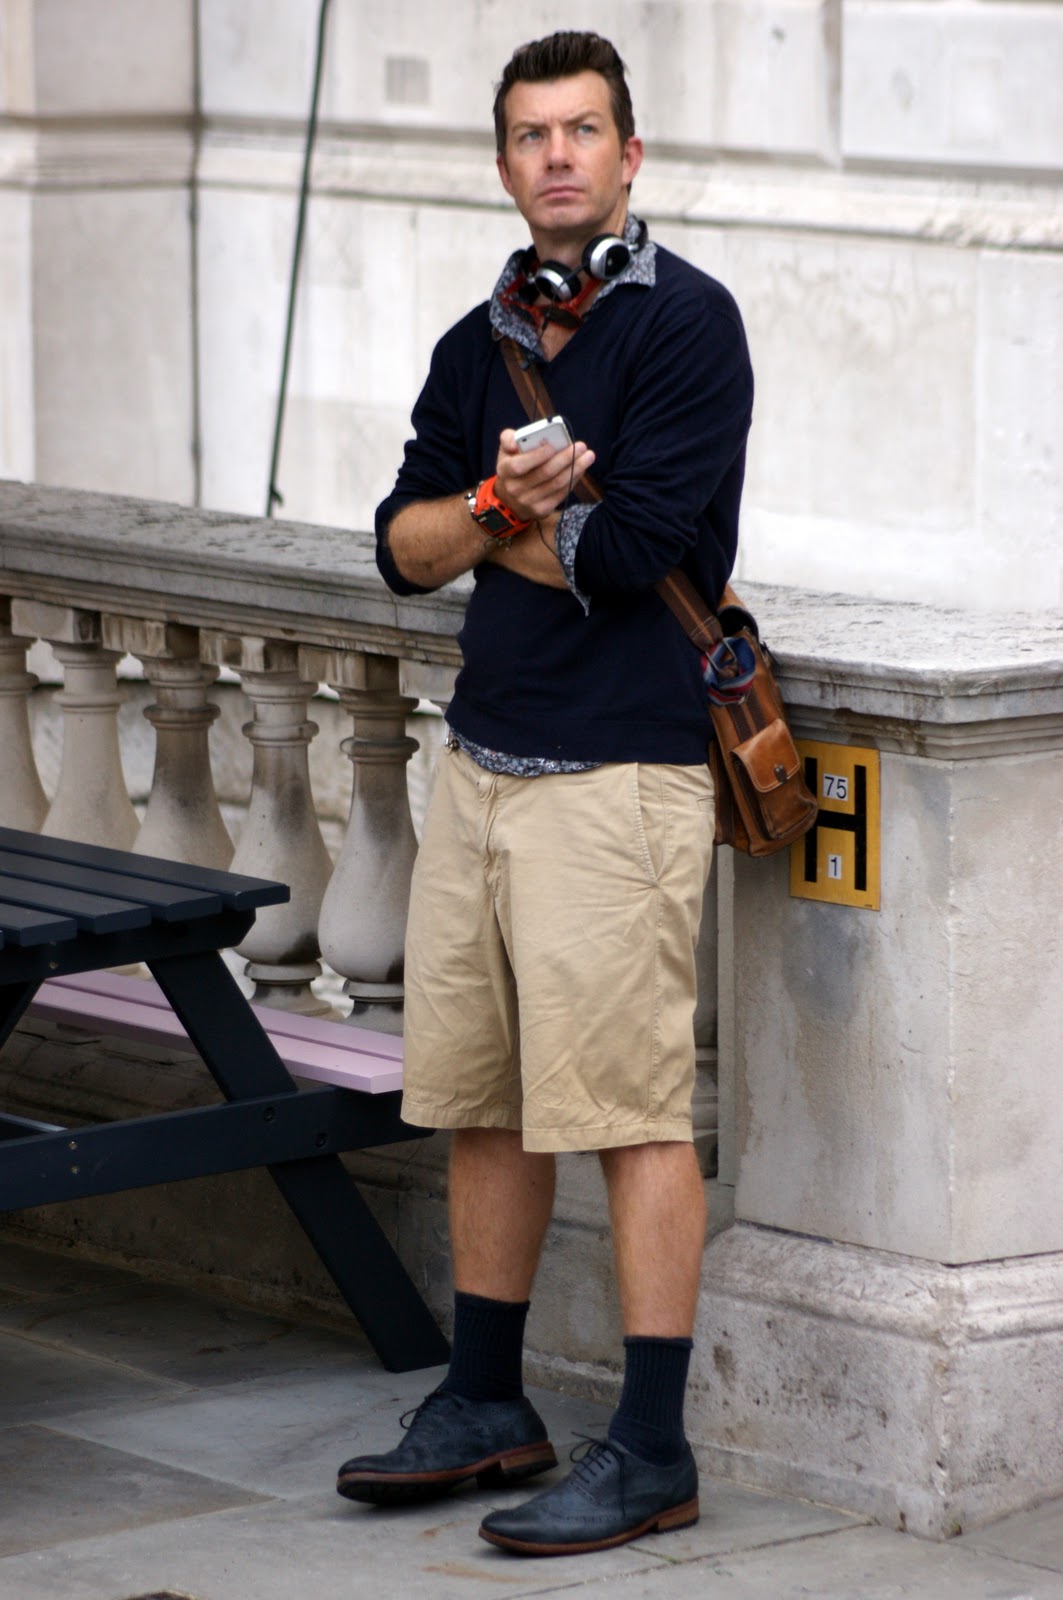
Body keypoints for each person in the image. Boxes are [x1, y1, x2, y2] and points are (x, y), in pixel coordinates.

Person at [336, 29, 753, 1557]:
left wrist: (488, 521)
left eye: (584, 131)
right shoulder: (478, 343)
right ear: (505, 162)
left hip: (620, 774)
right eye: (532, 134)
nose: (558, 155)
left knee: (633, 1115)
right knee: (485, 1101)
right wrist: (510, 499)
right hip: (482, 764)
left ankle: (652, 1451)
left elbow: (635, 553)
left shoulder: (691, 326)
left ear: (629, 156)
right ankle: (483, 1401)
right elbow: (399, 547)